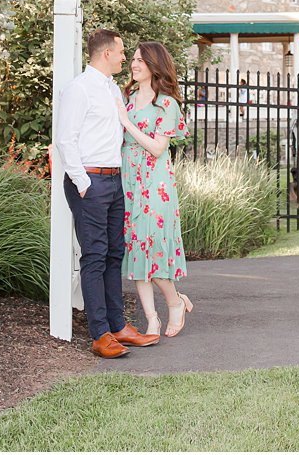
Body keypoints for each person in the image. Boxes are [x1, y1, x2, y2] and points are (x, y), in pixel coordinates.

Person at [55, 28, 160, 358]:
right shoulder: (79, 89)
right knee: (95, 256)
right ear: (105, 54)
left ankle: (118, 326)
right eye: (120, 52)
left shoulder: (113, 89)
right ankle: (100, 333)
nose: (124, 57)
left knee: (115, 254)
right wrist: (83, 183)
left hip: (114, 182)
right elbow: (65, 140)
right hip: (90, 182)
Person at [120, 41, 195, 338]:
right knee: (136, 248)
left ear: (154, 65)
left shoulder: (166, 104)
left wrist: (126, 122)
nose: (134, 64)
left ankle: (175, 302)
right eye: (133, 60)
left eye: (140, 60)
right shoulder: (127, 97)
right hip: (128, 180)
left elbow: (157, 147)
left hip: (155, 183)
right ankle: (151, 319)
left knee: (154, 247)